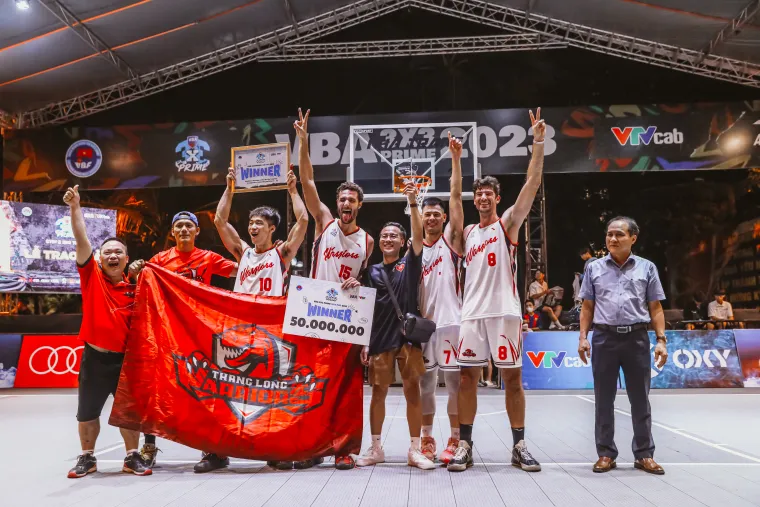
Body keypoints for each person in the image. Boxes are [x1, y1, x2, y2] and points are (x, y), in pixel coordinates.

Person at [448, 108, 546, 473]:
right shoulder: (468, 233)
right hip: (472, 314)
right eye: (480, 195)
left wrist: (537, 142)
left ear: (497, 199)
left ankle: (519, 444)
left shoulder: (508, 225)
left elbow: (531, 186)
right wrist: (457, 161)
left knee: (513, 378)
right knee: (466, 379)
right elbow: (454, 199)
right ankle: (465, 446)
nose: (484, 199)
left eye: (489, 194)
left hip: (505, 311)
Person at [129, 210, 238, 472]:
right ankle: (149, 447)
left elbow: (242, 270)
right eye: (179, 226)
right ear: (173, 232)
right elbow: (142, 284)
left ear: (197, 231)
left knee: (205, 392)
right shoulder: (159, 260)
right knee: (156, 390)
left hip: (200, 335)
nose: (184, 230)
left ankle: (214, 452)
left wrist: (267, 257)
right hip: (169, 336)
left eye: (189, 225)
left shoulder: (208, 258)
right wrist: (134, 272)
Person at [296, 107, 374, 470]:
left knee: (345, 389)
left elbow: (369, 283)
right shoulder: (324, 221)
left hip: (345, 319)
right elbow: (308, 183)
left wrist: (358, 281)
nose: (345, 204)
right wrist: (303, 140)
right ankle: (311, 446)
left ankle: (343, 449)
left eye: (351, 200)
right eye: (341, 199)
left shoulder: (369, 242)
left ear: (359, 205)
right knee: (310, 384)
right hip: (313, 313)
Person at [215, 166, 308, 470]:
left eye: (259, 223)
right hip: (239, 329)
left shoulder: (281, 254)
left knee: (271, 394)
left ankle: (273, 448)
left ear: (271, 229)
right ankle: (218, 450)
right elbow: (220, 220)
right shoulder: (242, 252)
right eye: (252, 222)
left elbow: (304, 220)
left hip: (271, 330)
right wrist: (230, 188)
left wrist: (293, 190)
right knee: (226, 389)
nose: (253, 226)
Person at [63, 185, 151, 479]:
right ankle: (87, 457)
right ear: (99, 259)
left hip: (127, 362)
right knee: (87, 412)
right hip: (96, 358)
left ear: (127, 259)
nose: (113, 255)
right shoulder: (91, 277)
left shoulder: (137, 288)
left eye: (118, 252)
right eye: (107, 252)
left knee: (129, 413)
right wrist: (75, 207)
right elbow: (81, 238)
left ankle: (131, 456)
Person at [578, 216, 668, 475]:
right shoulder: (593, 268)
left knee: (640, 399)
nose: (613, 239)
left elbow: (656, 307)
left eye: (619, 234)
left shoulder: (647, 268)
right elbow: (587, 306)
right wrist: (583, 337)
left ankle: (644, 454)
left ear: (633, 238)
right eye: (609, 235)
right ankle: (606, 453)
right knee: (603, 400)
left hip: (637, 338)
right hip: (604, 338)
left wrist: (661, 340)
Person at [357, 186, 433, 469]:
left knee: (412, 391)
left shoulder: (410, 262)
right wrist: (364, 341)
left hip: (407, 339)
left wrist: (413, 202)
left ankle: (414, 450)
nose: (388, 239)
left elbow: (418, 234)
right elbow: (365, 309)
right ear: (379, 242)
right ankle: (376, 448)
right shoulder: (372, 271)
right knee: (378, 393)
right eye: (384, 236)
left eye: (394, 236)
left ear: (403, 242)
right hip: (378, 339)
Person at [417, 133, 465, 465]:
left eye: (437, 214)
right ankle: (427, 439)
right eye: (427, 214)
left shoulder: (450, 241)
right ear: (420, 218)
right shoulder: (414, 249)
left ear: (443, 218)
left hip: (450, 323)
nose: (432, 218)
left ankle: (454, 439)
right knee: (425, 387)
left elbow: (456, 198)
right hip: (423, 327)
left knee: (454, 385)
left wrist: (456, 160)